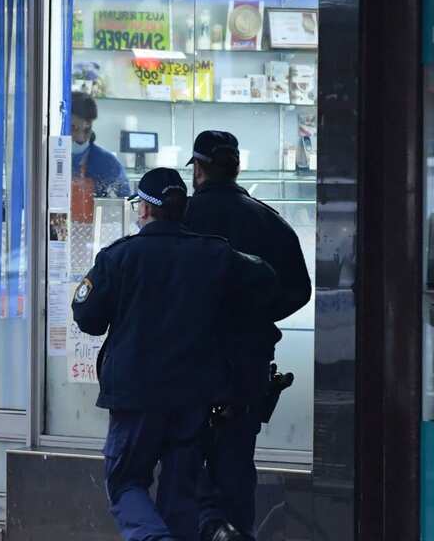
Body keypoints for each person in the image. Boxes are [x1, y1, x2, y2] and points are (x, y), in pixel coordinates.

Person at [73, 168, 277, 541]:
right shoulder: (215, 254)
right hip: (194, 397)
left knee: (125, 482)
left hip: (136, 398)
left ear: (146, 211)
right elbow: (266, 280)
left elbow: (87, 317)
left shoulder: (120, 257)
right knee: (181, 490)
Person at [184, 131, 312, 541]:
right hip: (247, 364)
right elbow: (300, 289)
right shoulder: (268, 220)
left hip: (187, 363)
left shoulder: (181, 218)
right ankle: (233, 530)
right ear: (236, 167)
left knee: (183, 458)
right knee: (237, 460)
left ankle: (209, 527)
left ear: (199, 169)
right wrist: (256, 316)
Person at [72, 91, 131, 202]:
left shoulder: (108, 163)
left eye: (86, 130)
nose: (80, 138)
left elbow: (125, 202)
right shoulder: (47, 159)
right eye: (73, 128)